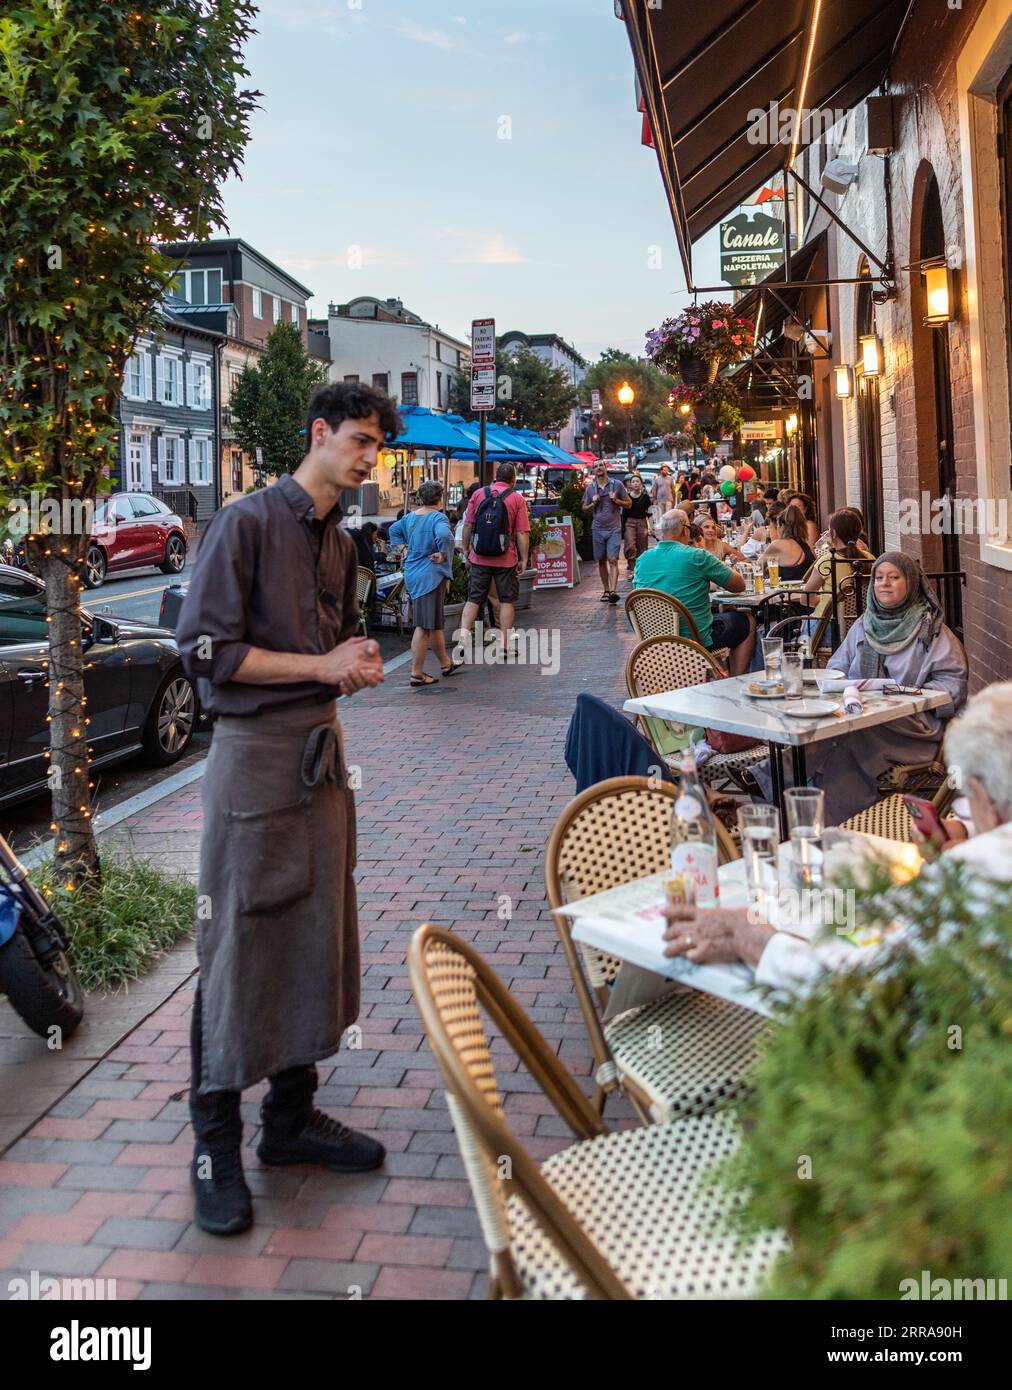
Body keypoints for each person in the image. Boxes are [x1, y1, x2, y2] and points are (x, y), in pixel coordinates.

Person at [176, 380, 394, 1236]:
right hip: (256, 767)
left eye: (379, 444)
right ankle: (214, 1145)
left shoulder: (338, 543)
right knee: (236, 943)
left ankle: (289, 1121)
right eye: (361, 440)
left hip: (319, 762)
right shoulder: (245, 523)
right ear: (320, 433)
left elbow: (330, 644)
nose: (371, 457)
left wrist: (356, 661)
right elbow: (205, 652)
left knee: (314, 934)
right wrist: (320, 668)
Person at [662, 682, 1012, 994]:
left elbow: (866, 987)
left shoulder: (980, 875)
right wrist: (967, 828)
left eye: (966, 798)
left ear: (983, 795)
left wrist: (753, 939)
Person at [754, 552, 968, 822]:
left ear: (911, 583)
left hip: (913, 727)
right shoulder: (865, 623)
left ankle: (777, 783)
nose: (884, 584)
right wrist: (846, 688)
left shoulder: (931, 630)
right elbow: (837, 668)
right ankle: (802, 806)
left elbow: (953, 685)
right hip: (862, 713)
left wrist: (902, 696)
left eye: (894, 577)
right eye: (879, 578)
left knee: (849, 738)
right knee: (823, 728)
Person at [633, 508, 756, 675]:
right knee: (746, 620)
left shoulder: (642, 560)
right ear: (685, 530)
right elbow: (738, 585)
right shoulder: (697, 556)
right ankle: (735, 680)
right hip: (695, 640)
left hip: (654, 642)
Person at [388, 479, 461, 686]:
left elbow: (394, 530)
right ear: (440, 498)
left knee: (434, 623)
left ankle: (446, 663)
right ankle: (416, 673)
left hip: (413, 573)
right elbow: (445, 536)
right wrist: (443, 555)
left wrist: (402, 548)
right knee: (423, 626)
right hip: (429, 576)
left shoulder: (410, 517)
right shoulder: (438, 517)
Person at [457, 461, 530, 650]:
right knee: (506, 600)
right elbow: (522, 533)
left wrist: (467, 548)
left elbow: (468, 525)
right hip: (506, 558)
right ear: (513, 480)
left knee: (473, 599)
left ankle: (463, 639)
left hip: (479, 556)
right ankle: (505, 645)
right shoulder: (517, 499)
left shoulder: (479, 494)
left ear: (495, 477)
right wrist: (523, 559)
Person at [582, 460, 630, 602]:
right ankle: (606, 590)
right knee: (602, 561)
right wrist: (593, 503)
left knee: (613, 559)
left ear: (605, 467)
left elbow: (629, 503)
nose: (598, 468)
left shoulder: (617, 485)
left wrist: (617, 500)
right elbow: (584, 508)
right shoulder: (590, 488)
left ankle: (614, 591)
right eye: (595, 466)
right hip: (597, 528)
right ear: (593, 470)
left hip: (614, 528)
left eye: (600, 465)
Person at [761, 502, 816, 580]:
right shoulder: (806, 547)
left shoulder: (777, 545)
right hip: (804, 590)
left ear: (782, 526)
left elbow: (758, 568)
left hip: (784, 591)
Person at [622, 474, 652, 576]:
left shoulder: (646, 497)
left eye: (637, 481)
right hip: (630, 523)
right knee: (630, 546)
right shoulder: (627, 497)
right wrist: (623, 528)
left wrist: (650, 527)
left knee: (642, 547)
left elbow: (649, 512)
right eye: (633, 482)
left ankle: (640, 570)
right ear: (630, 484)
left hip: (642, 522)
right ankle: (632, 569)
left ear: (641, 484)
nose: (635, 484)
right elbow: (624, 514)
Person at [650, 463, 675, 527]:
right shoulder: (657, 479)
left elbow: (673, 490)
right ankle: (662, 527)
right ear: (661, 471)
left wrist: (674, 500)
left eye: (666, 470)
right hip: (660, 500)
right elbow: (654, 490)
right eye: (664, 470)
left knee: (668, 514)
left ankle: (668, 527)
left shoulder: (670, 478)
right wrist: (654, 499)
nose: (665, 471)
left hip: (669, 499)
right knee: (661, 515)